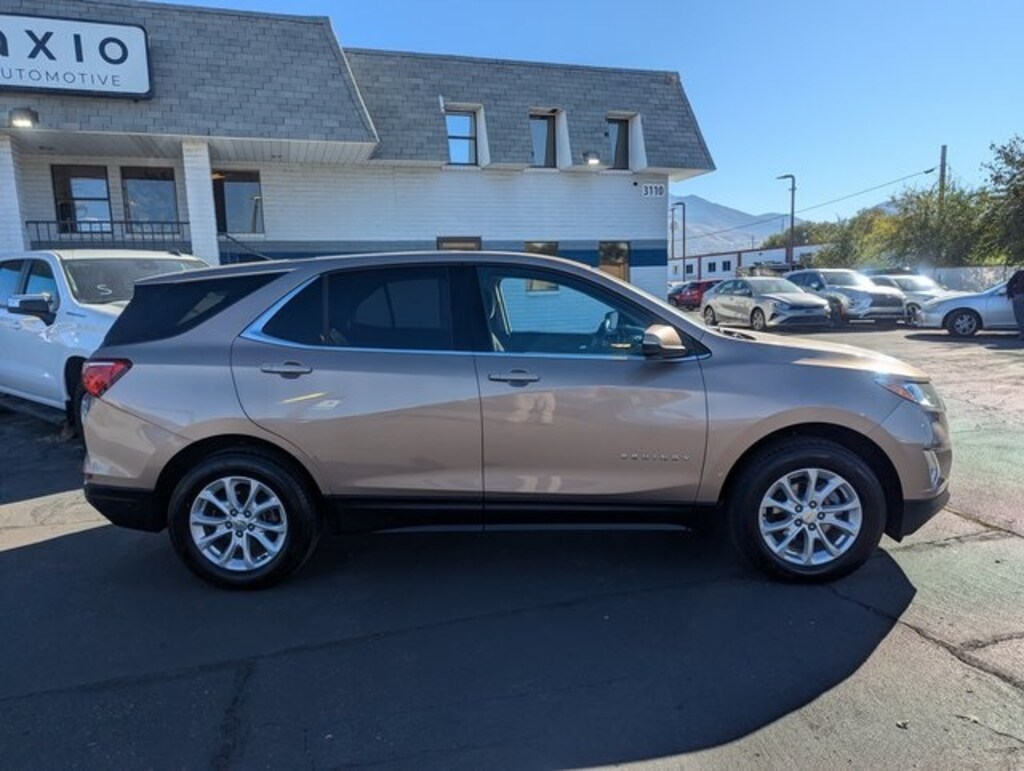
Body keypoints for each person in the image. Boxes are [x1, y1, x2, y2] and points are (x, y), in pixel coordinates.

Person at [1009, 267, 1024, 340]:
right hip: (1019, 296)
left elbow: (1009, 284)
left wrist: (1011, 294)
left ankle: (1023, 334)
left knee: (1020, 316)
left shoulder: (1019, 273)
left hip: (1019, 296)